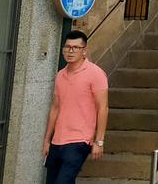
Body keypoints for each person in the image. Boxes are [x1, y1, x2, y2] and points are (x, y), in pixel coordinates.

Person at [43, 30, 109, 184]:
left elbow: (103, 108)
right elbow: (55, 108)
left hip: (80, 140)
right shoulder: (60, 75)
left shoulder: (96, 74)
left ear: (84, 51)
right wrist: (47, 139)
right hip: (57, 141)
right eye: (67, 47)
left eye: (75, 48)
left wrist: (99, 141)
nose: (70, 51)